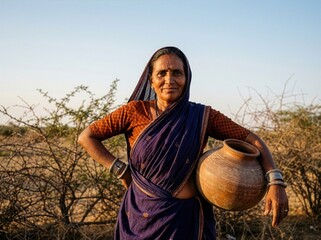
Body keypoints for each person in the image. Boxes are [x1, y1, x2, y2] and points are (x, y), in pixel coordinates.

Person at [78, 46, 289, 239]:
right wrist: (121, 170)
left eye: (177, 73)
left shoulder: (202, 116)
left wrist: (275, 181)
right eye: (162, 73)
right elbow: (86, 137)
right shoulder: (134, 112)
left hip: (186, 222)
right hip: (140, 220)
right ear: (151, 80)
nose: (169, 80)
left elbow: (253, 140)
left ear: (187, 78)